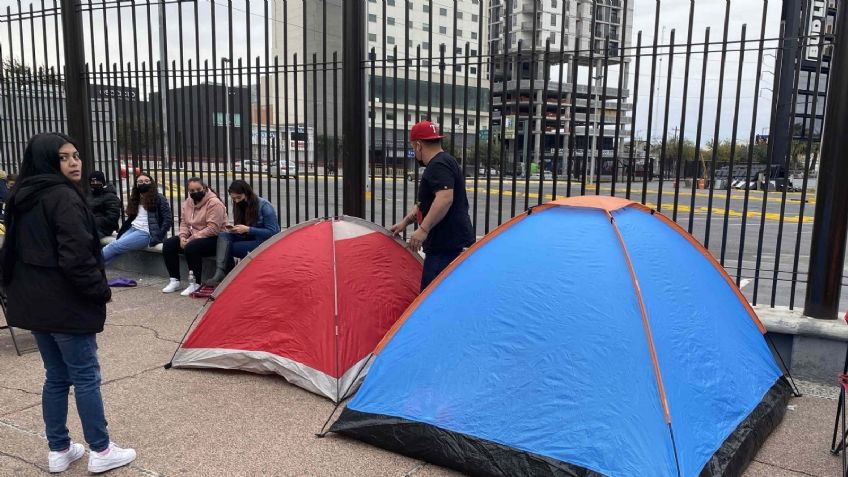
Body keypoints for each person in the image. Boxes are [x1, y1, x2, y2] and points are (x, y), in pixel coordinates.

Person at [1, 133, 136, 473]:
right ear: (48, 161)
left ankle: (59, 448)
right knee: (85, 376)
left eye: (76, 155)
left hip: (35, 304)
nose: (75, 162)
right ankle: (101, 450)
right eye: (64, 157)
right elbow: (77, 258)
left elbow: (10, 252)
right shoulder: (63, 198)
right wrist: (100, 291)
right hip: (65, 302)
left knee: (56, 377)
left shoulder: (21, 197)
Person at [391, 121, 475, 291]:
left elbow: (444, 198)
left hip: (446, 247)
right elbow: (425, 203)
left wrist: (422, 230)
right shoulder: (445, 161)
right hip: (448, 244)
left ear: (418, 145)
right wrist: (405, 222)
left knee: (431, 298)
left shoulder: (437, 165)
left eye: (414, 147)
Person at [202, 180, 280, 289]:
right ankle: (220, 273)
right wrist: (235, 230)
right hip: (248, 237)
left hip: (263, 241)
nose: (237, 201)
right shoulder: (239, 205)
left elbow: (274, 232)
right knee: (223, 236)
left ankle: (228, 276)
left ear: (247, 193)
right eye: (233, 199)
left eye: (239, 198)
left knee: (230, 247)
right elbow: (243, 228)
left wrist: (249, 229)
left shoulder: (264, 206)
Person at [161, 177, 226, 296]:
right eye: (192, 191)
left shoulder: (215, 203)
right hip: (195, 236)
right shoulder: (188, 202)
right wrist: (182, 237)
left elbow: (213, 228)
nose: (195, 193)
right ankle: (174, 280)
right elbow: (184, 223)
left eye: (198, 189)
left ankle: (195, 283)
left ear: (205, 188)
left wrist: (190, 239)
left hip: (215, 238)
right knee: (169, 243)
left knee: (191, 247)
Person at [101, 173, 172, 266]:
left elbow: (168, 219)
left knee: (114, 246)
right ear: (137, 184)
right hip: (133, 229)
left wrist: (158, 236)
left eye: (147, 181)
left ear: (152, 183)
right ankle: (96, 273)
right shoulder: (136, 198)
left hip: (146, 233)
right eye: (140, 182)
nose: (144, 183)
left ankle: (89, 264)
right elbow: (131, 217)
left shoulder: (159, 198)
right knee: (116, 249)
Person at [87, 171, 122, 239]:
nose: (95, 183)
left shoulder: (111, 196)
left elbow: (112, 217)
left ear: (103, 182)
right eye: (93, 182)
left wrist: (92, 222)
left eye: (98, 181)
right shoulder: (89, 196)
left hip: (103, 229)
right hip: (89, 226)